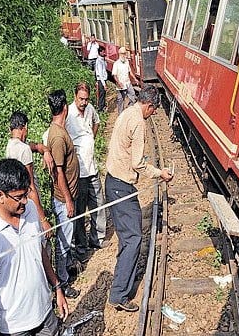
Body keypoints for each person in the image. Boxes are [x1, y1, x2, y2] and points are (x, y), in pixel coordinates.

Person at [0, 159, 69, 336]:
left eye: (27, 194)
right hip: (14, 328)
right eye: (19, 197)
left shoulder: (31, 209)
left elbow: (39, 252)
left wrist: (57, 287)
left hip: (45, 314)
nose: (25, 201)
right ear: (0, 196)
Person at [105, 85, 173, 311]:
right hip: (121, 187)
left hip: (114, 182)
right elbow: (138, 164)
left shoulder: (127, 112)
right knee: (133, 239)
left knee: (129, 236)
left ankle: (122, 282)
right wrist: (159, 173)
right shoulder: (138, 122)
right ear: (150, 105)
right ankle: (119, 294)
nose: (152, 114)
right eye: (153, 110)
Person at [66, 82, 110, 264]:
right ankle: (81, 248)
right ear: (75, 96)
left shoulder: (90, 109)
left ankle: (97, 240)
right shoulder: (68, 114)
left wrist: (92, 136)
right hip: (78, 173)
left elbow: (97, 121)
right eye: (81, 99)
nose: (84, 102)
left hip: (92, 168)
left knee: (98, 204)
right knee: (79, 211)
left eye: (86, 99)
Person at [46, 89, 81, 296]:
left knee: (65, 241)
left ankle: (66, 272)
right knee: (63, 244)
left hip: (67, 197)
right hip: (62, 200)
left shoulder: (58, 130)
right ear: (65, 107)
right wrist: (68, 201)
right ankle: (63, 285)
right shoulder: (58, 137)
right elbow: (59, 173)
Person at [6, 111, 55, 239]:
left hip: (16, 202)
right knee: (40, 241)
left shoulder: (10, 145)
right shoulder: (24, 150)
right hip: (29, 203)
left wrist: (42, 149)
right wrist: (43, 220)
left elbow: (30, 145)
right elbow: (31, 188)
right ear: (25, 127)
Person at [112, 46, 137, 115]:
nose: (124, 55)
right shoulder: (116, 64)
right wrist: (119, 83)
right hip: (121, 85)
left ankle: (130, 109)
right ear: (120, 54)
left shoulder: (127, 62)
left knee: (132, 95)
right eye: (123, 54)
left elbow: (130, 71)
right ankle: (120, 114)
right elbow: (114, 75)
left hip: (127, 83)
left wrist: (134, 78)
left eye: (125, 54)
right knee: (121, 100)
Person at [95, 46, 108, 112]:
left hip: (103, 80)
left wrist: (104, 59)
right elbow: (100, 73)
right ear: (100, 52)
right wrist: (104, 84)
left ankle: (102, 108)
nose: (104, 53)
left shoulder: (102, 60)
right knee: (101, 95)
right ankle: (100, 109)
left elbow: (105, 67)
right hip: (101, 80)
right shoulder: (99, 61)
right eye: (103, 52)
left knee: (103, 95)